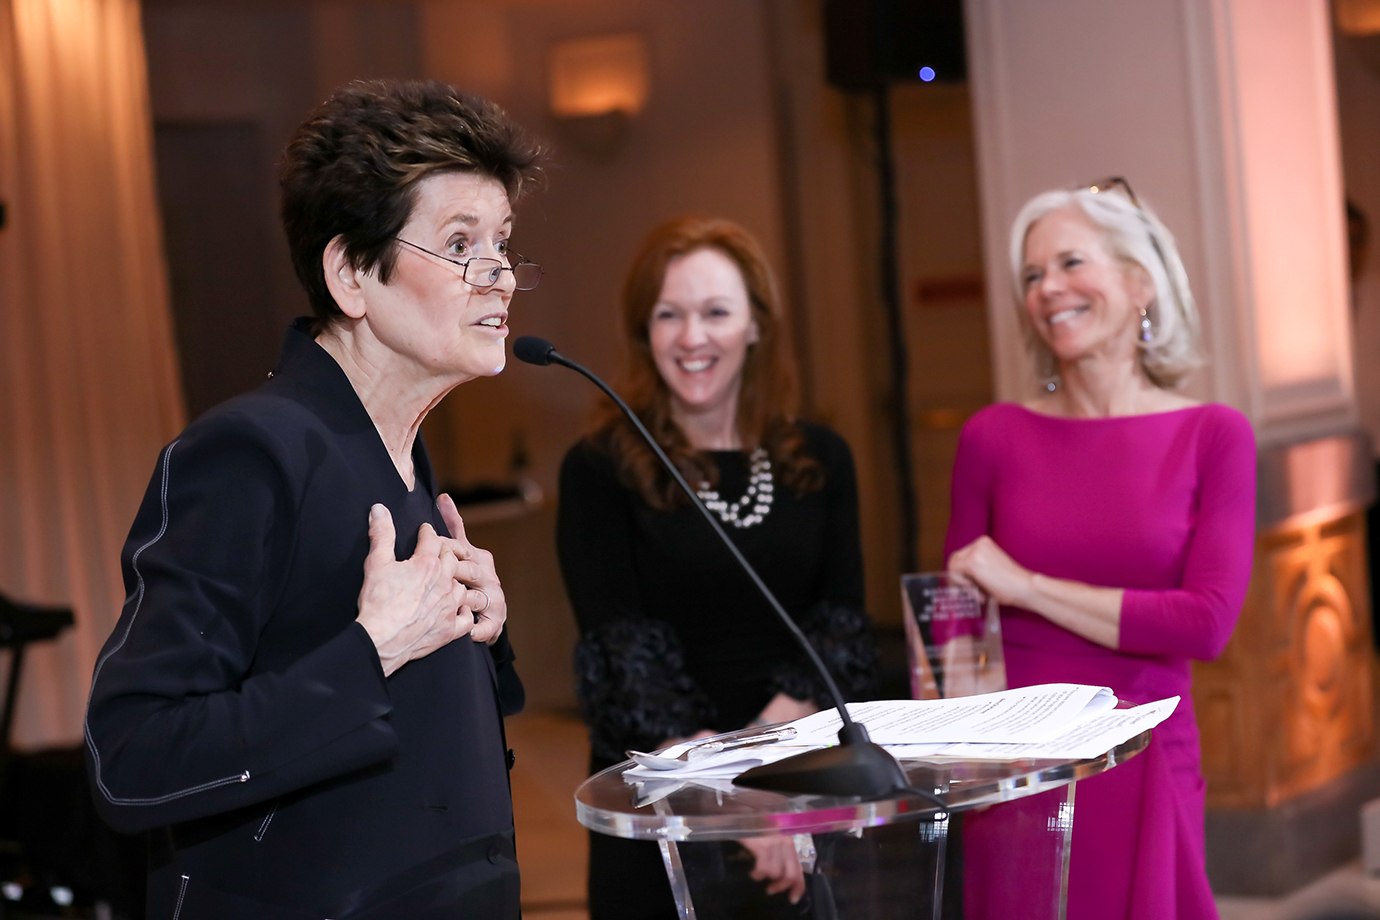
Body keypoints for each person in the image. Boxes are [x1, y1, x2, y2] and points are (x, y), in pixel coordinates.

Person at [83, 80, 544, 919]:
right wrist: (374, 649)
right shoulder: (251, 454)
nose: (503, 278)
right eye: (461, 243)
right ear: (351, 274)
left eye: (504, 243)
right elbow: (132, 757)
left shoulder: (400, 451)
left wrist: (481, 632)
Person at [944, 178, 1255, 920]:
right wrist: (967, 734)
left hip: (1144, 755)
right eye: (1032, 275)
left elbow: (1205, 623)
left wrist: (1025, 586)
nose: (1049, 288)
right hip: (1017, 766)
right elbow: (955, 621)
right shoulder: (990, 438)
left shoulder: (1213, 434)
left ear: (1139, 283)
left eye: (1071, 263)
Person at [556, 216, 879, 920]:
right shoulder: (599, 468)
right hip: (664, 795)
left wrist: (768, 783)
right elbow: (622, 652)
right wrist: (729, 796)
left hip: (803, 785)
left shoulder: (821, 459)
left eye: (715, 312)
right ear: (645, 330)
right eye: (668, 314)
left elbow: (842, 630)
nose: (692, 337)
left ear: (756, 326)